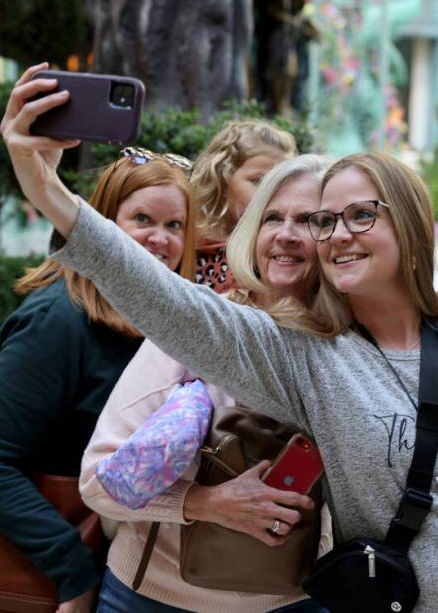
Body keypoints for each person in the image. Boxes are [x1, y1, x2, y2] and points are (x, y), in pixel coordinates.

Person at [1, 63, 438, 612]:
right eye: (325, 221)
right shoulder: (308, 357)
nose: (335, 233)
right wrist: (48, 189)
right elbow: (177, 307)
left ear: (411, 225)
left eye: (360, 214)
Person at [82, 155, 333, 613]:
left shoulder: (356, 345)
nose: (286, 234)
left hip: (296, 602)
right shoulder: (200, 326)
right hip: (152, 597)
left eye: (311, 221)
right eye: (272, 217)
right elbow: (97, 482)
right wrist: (206, 503)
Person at [0, 144, 197, 613]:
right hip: (64, 576)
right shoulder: (57, 322)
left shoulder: (170, 320)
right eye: (143, 220)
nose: (160, 240)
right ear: (101, 222)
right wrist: (72, 572)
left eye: (175, 226)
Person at [190, 119, 296, 292]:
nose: (271, 193)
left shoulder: (285, 253)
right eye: (259, 180)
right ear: (223, 179)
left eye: (283, 183)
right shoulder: (185, 241)